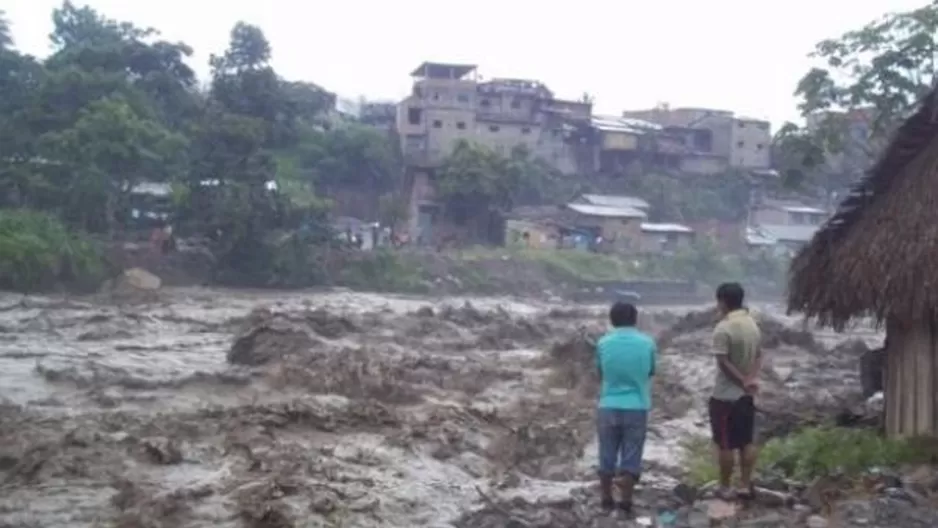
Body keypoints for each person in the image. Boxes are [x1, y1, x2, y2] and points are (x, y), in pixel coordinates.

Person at [595, 301, 656, 513]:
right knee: (632, 454)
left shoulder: (603, 343)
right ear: (635, 319)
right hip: (637, 406)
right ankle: (626, 501)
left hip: (608, 405)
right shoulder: (647, 343)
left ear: (612, 320)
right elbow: (650, 371)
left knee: (606, 453)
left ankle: (605, 499)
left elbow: (600, 372)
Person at [708, 282, 763, 500]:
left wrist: (741, 381)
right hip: (746, 396)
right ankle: (745, 483)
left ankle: (724, 486)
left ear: (721, 301)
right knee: (746, 441)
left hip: (725, 395)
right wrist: (750, 379)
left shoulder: (723, 328)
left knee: (725, 442)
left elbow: (722, 362)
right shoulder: (753, 324)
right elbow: (759, 355)